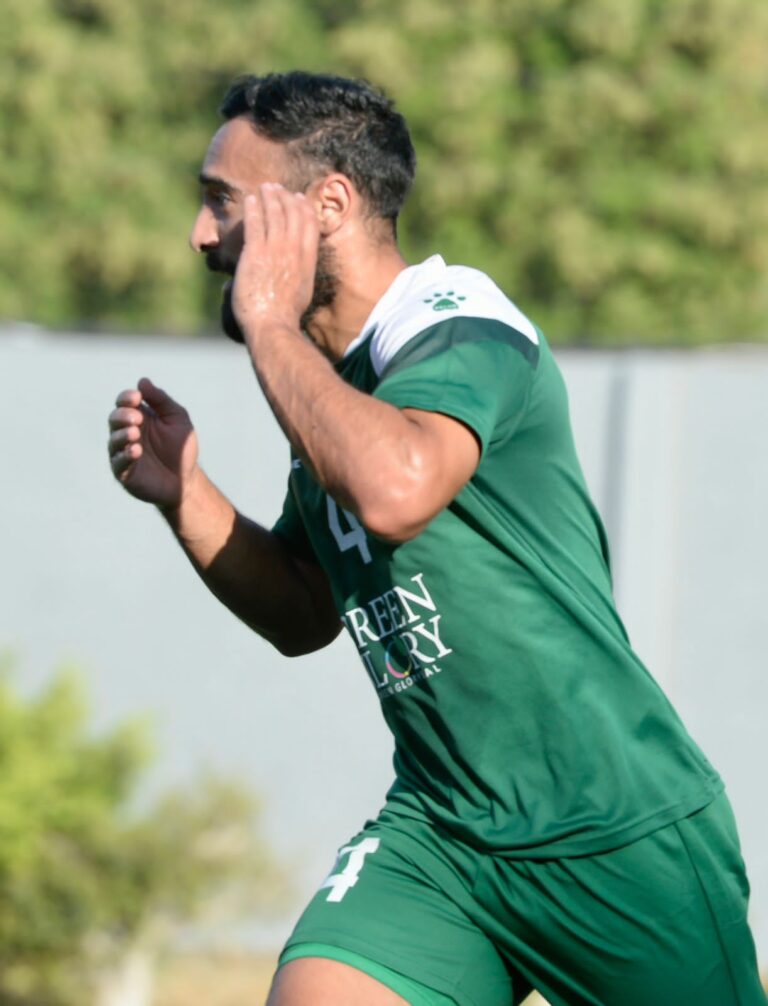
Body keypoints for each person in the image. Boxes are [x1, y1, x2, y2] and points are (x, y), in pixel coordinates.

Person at [107, 72, 766, 1006]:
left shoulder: (462, 324)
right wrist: (188, 497)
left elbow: (395, 491)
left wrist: (269, 323)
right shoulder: (333, 381)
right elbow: (304, 609)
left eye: (223, 201)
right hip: (444, 833)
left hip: (617, 831)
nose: (201, 236)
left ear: (328, 204)